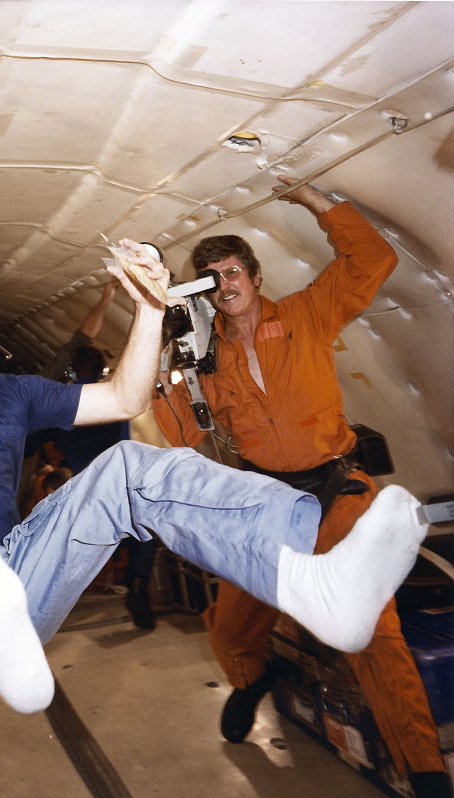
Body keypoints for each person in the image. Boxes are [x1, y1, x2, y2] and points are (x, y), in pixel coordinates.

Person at [0, 208, 427, 718]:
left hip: (18, 579)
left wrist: (151, 307)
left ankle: (310, 584)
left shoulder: (14, 393)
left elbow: (125, 400)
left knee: (130, 464)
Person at [152, 176, 447, 796]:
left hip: (337, 490)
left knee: (372, 630)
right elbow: (180, 435)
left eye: (233, 271)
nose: (224, 284)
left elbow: (374, 259)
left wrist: (316, 202)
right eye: (211, 278)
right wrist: (164, 360)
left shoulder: (307, 313)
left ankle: (423, 768)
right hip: (267, 504)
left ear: (255, 275)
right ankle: (250, 680)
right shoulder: (205, 359)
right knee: (231, 625)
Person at [32, 280, 159, 628]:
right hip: (121, 480)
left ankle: (53, 597)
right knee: (143, 531)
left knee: (81, 542)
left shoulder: (60, 403)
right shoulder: (114, 396)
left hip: (84, 486)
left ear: (72, 372)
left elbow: (37, 438)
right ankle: (137, 583)